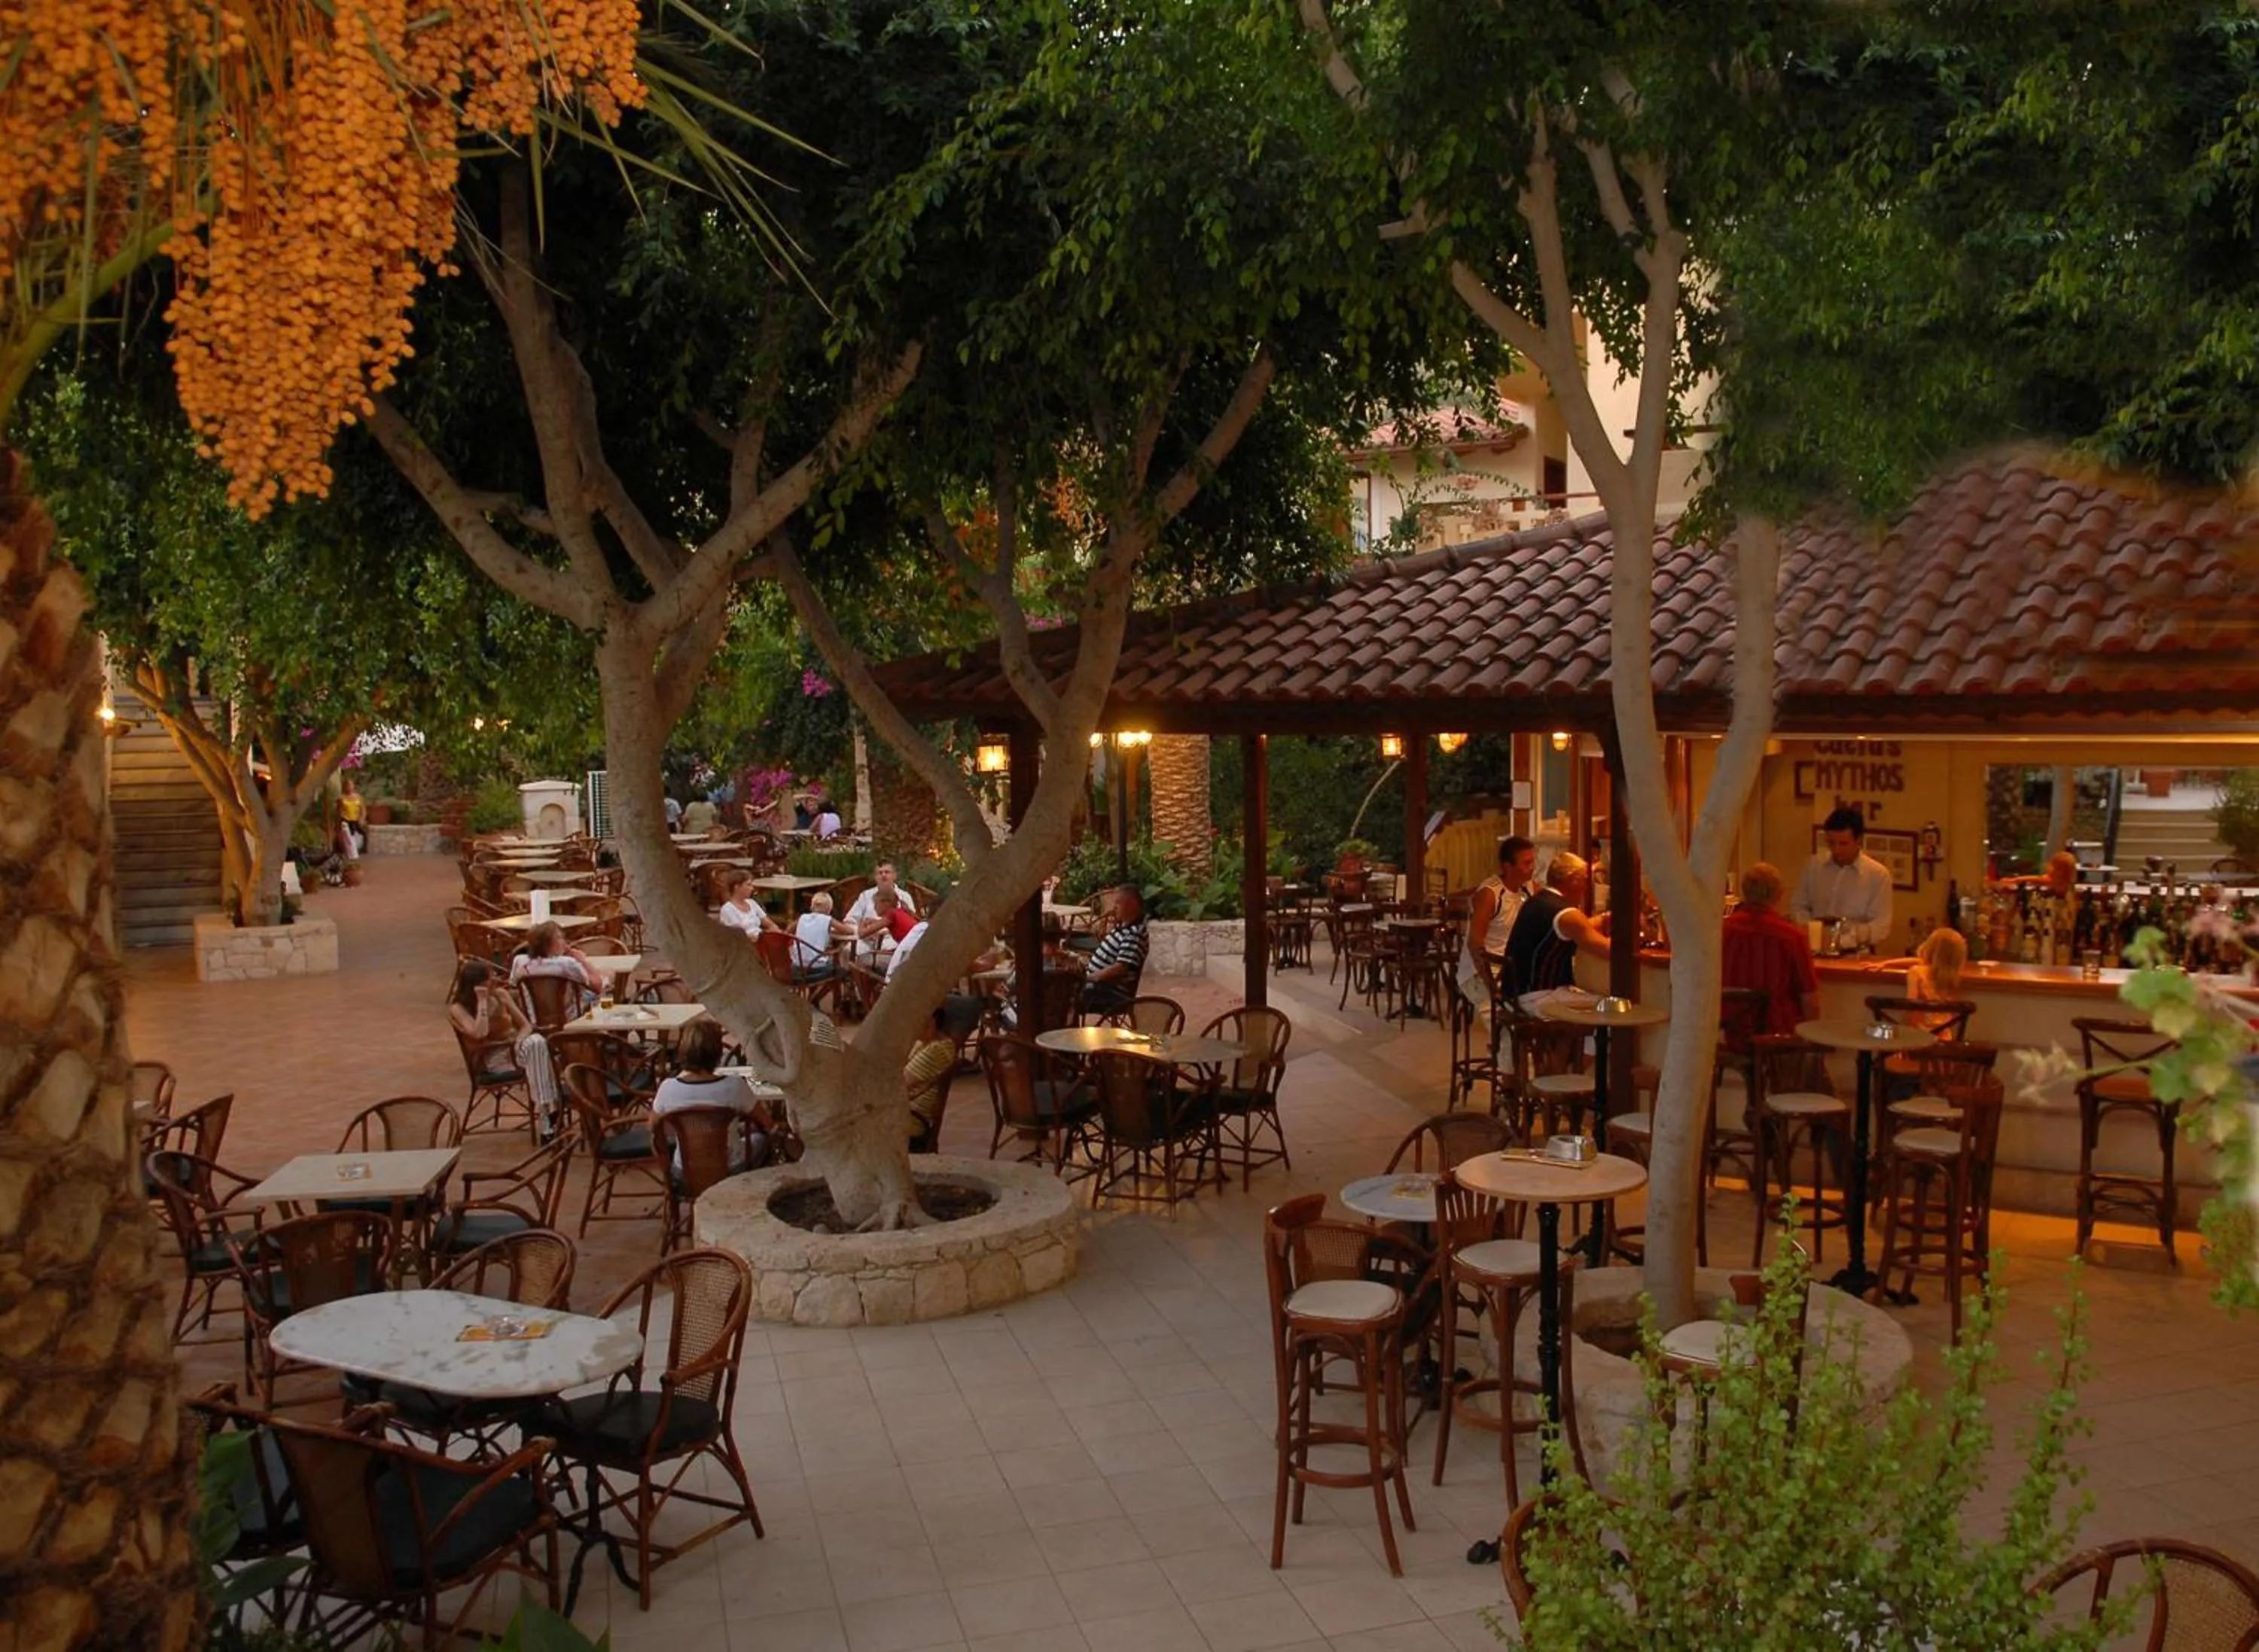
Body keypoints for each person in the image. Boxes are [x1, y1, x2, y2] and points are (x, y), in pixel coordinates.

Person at [448, 959, 562, 1139]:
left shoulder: (501, 994)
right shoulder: (458, 1008)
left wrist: (519, 1040)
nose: (494, 980)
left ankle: (546, 1117)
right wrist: (483, 1002)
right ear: (477, 984)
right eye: (490, 978)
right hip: (493, 1058)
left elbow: (525, 1025)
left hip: (516, 1048)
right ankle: (548, 1112)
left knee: (536, 1042)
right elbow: (480, 1033)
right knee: (541, 1054)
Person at [1720, 862, 1821, 1046]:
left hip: (1729, 1031)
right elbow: (1809, 998)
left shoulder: (1722, 931)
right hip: (1778, 1034)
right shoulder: (1792, 937)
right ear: (1778, 895)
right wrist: (1813, 1038)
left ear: (1744, 891)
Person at [652, 1017, 769, 1173]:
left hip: (685, 1170)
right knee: (761, 1139)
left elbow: (654, 1126)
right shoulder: (735, 1086)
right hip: (731, 1168)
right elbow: (766, 1123)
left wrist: (688, 1129)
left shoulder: (668, 1088)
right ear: (719, 1051)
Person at [1500, 852, 1611, 1005]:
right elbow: (1608, 950)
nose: (1586, 888)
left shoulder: (1538, 901)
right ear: (1572, 881)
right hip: (1537, 997)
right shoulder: (1567, 915)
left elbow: (1574, 929)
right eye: (1585, 881)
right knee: (1607, 1005)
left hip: (1514, 994)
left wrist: (1604, 919)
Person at [1791, 806, 1895, 952]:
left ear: (1859, 840)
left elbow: (1881, 926)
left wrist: (1842, 940)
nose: (1836, 850)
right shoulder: (1814, 866)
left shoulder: (1878, 875)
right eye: (1831, 843)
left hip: (1855, 955)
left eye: (1843, 844)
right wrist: (1812, 932)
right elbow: (1798, 906)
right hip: (1813, 950)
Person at [1459, 834, 1538, 1001]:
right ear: (1508, 867)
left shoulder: (1528, 888)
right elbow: (1475, 944)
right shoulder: (1491, 894)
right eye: (1526, 863)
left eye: (1532, 862)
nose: (1532, 867)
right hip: (1482, 970)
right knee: (1506, 1019)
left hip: (1510, 967)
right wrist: (1492, 986)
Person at [1080, 885, 1150, 1016]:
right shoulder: (1124, 928)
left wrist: (1093, 977)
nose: (1114, 908)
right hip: (1102, 987)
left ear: (1132, 905)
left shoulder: (1134, 933)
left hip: (1112, 993)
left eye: (1118, 903)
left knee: (1066, 995)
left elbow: (1121, 967)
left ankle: (1066, 1031)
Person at [904, 1006, 959, 1151]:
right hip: (902, 1110)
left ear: (931, 1021)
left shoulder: (938, 1050)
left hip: (913, 1121)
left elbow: (900, 1085)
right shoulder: (922, 1043)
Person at [792, 891, 847, 979]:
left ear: (812, 906)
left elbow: (788, 930)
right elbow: (848, 931)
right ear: (829, 909)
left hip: (797, 965)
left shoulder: (802, 917)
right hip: (816, 967)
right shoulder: (828, 919)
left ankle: (815, 992)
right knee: (841, 970)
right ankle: (822, 992)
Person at [856, 885, 919, 962]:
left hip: (909, 957)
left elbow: (862, 934)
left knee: (862, 959)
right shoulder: (899, 911)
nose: (874, 907)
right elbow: (886, 923)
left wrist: (861, 922)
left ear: (885, 903)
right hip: (915, 951)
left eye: (875, 904)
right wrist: (874, 922)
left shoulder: (891, 915)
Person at [845, 861, 918, 927]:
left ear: (894, 876)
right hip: (867, 939)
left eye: (887, 872)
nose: (883, 875)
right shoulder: (866, 896)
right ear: (875, 877)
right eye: (880, 873)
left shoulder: (905, 896)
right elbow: (850, 920)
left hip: (894, 939)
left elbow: (911, 924)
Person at [717, 872, 774, 937]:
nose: (752, 888)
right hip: (745, 943)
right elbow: (738, 936)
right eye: (748, 885)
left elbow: (769, 923)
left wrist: (777, 932)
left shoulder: (752, 903)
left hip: (761, 938)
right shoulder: (728, 909)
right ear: (737, 887)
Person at [337, 775, 366, 860]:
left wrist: (362, 819)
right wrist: (337, 823)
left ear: (353, 786)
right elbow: (338, 811)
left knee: (356, 839)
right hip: (345, 820)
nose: (349, 787)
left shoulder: (359, 797)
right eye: (347, 785)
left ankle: (353, 855)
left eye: (351, 785)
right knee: (348, 838)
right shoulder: (342, 798)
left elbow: (363, 810)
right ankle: (353, 857)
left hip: (355, 821)